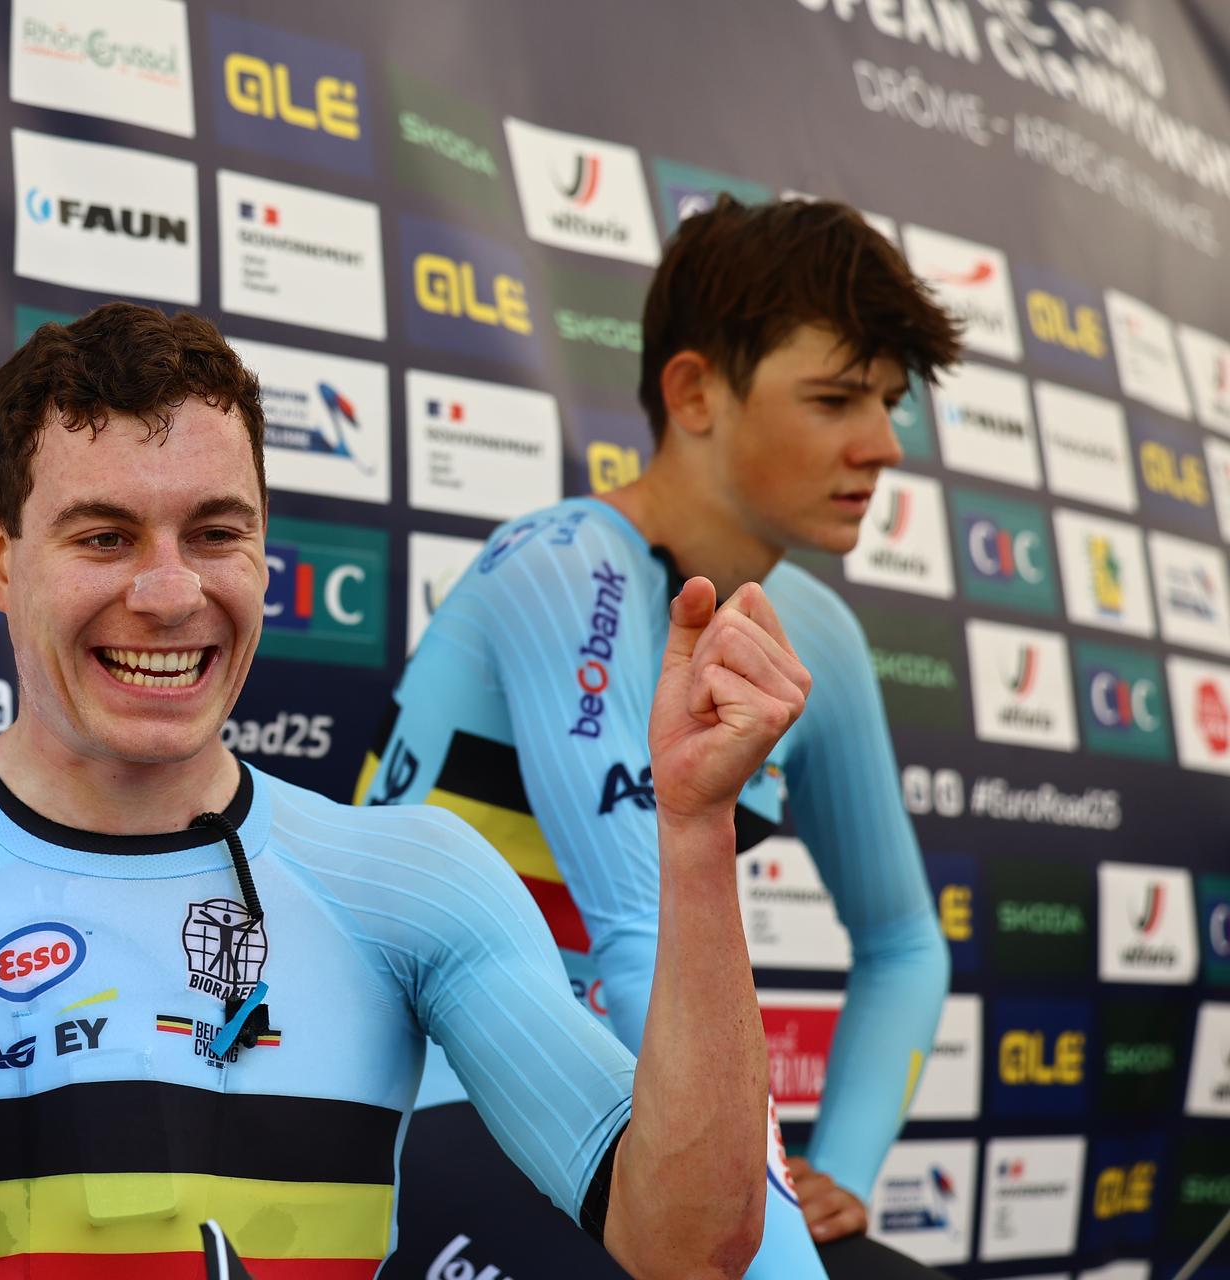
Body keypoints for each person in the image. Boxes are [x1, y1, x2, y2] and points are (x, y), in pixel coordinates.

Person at [0, 303, 811, 1280]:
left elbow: (688, 1244)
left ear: (266, 552)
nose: (170, 595)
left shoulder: (410, 880)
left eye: (215, 532)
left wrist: (694, 836)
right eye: (105, 536)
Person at [361, 196, 961, 1277]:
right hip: (435, 1107)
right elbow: (638, 928)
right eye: (834, 398)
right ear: (693, 393)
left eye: (887, 400)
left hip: (641, 1121)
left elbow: (906, 942)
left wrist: (845, 1172)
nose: (880, 445)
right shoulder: (558, 567)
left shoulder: (817, 631)